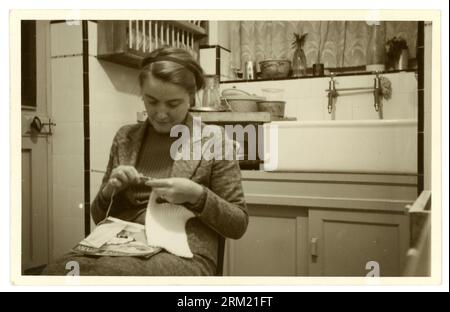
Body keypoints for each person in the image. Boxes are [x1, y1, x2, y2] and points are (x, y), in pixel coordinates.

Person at [43, 47, 248, 276]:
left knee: (112, 276)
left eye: (173, 104)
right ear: (141, 94)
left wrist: (197, 196)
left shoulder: (214, 140)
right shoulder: (125, 138)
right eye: (151, 101)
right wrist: (110, 190)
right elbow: (99, 216)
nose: (161, 114)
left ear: (191, 97)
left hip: (182, 251)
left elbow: (238, 224)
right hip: (117, 243)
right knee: (55, 271)